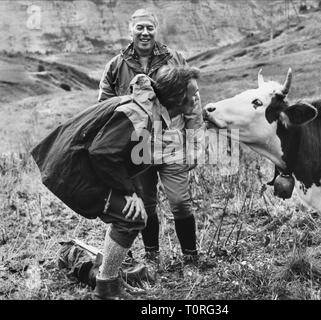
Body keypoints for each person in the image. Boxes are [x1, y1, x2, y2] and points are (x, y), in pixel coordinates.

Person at [31, 66, 201, 300]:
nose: (196, 97)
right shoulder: (140, 114)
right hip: (73, 169)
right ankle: (106, 289)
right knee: (132, 216)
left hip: (78, 165)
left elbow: (117, 153)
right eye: (192, 93)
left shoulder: (149, 108)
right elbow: (102, 152)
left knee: (131, 212)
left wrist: (132, 191)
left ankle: (107, 279)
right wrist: (128, 192)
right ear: (177, 97)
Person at [98, 8, 207, 267]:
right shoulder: (116, 66)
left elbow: (193, 104)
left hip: (172, 145)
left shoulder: (176, 59)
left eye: (150, 27)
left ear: (156, 29)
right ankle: (152, 256)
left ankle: (190, 260)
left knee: (180, 203)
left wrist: (194, 144)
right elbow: (103, 108)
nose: (145, 33)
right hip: (137, 148)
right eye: (140, 28)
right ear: (131, 30)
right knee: (146, 206)